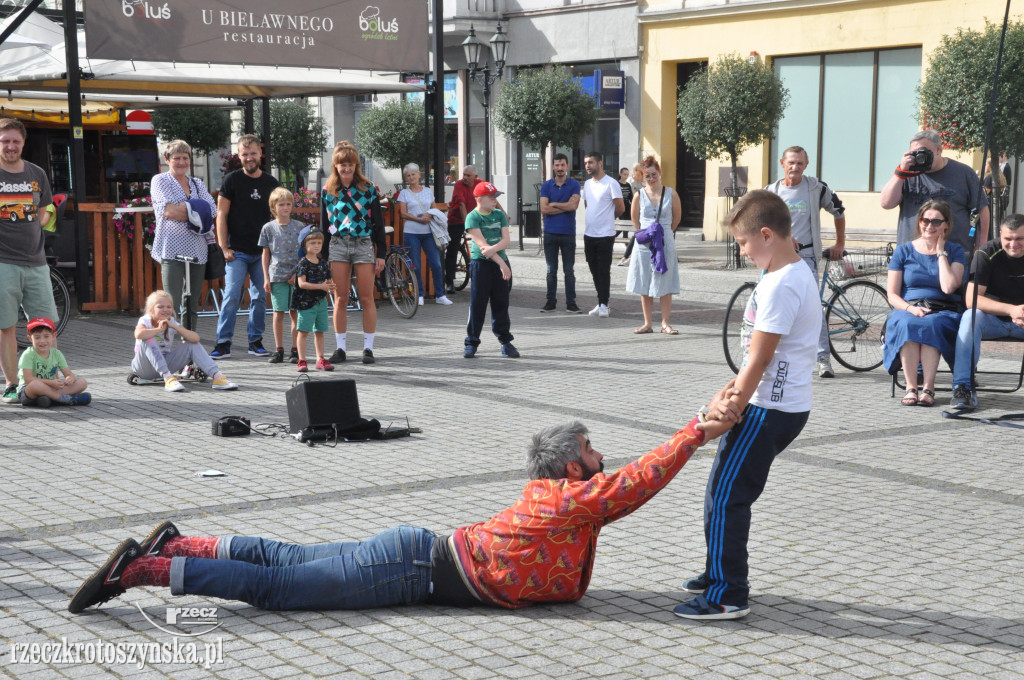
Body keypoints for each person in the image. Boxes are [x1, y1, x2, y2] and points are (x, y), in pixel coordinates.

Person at [68, 412, 729, 614]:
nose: (602, 455)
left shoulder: (568, 505)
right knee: (278, 588)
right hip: (412, 568)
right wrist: (697, 429)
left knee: (289, 561)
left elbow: (625, 486)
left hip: (415, 555)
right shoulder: (565, 502)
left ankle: (183, 546)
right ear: (571, 467)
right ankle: (144, 571)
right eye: (591, 449)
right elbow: (636, 483)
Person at [675, 190, 821, 621]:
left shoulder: (782, 284)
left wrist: (728, 409)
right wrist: (731, 390)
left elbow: (760, 359)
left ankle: (727, 594)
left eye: (743, 243)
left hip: (768, 410)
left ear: (767, 234)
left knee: (727, 498)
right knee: (721, 491)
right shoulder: (785, 271)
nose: (741, 251)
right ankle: (718, 569)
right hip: (765, 402)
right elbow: (757, 356)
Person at [765, 145, 847, 378]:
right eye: (791, 162)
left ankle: (823, 359)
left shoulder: (815, 188)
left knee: (812, 306)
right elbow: (761, 221)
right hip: (777, 258)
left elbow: (839, 211)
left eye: (800, 163)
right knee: (772, 304)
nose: (795, 167)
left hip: (807, 258)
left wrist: (840, 243)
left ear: (806, 165)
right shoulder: (771, 191)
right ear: (782, 163)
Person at [883, 200, 965, 406]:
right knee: (907, 323)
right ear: (919, 222)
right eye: (925, 220)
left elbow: (948, 288)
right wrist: (911, 308)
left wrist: (940, 252)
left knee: (931, 324)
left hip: (942, 310)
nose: (929, 226)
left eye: (936, 222)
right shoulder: (903, 251)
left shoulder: (955, 251)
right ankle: (911, 387)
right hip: (908, 307)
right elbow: (892, 294)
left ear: (946, 224)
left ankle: (928, 386)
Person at [0, 118, 57, 405]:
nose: (10, 146)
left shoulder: (36, 173)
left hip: (36, 261)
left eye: (15, 141)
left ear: (23, 143)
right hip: (3, 262)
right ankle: (12, 384)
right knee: (6, 326)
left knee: (46, 324)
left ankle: (50, 381)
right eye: (5, 141)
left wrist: (38, 223)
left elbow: (46, 209)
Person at [212, 135, 281, 360]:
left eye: (253, 153)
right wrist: (224, 247)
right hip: (236, 251)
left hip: (262, 252)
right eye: (244, 154)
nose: (249, 158)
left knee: (260, 296)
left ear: (260, 154)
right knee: (232, 295)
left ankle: (255, 341)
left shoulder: (271, 183)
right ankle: (223, 343)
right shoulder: (231, 180)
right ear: (239, 156)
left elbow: (278, 217)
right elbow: (221, 215)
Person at [322, 142, 387, 365]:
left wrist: (381, 254)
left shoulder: (368, 189)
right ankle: (340, 349)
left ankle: (368, 349)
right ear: (336, 166)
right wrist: (322, 257)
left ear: (356, 166)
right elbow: (324, 225)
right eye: (342, 165)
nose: (346, 169)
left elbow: (378, 223)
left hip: (363, 243)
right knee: (340, 298)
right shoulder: (328, 190)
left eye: (350, 164)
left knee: (367, 297)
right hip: (338, 244)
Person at [950, 213, 1024, 409]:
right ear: (1000, 235)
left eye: (1019, 239)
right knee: (970, 317)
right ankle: (962, 387)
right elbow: (971, 299)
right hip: (993, 319)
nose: (1013, 244)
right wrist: (1011, 310)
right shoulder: (986, 253)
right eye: (1008, 239)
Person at [880, 129, 988, 256]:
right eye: (915, 153)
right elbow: (886, 203)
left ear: (938, 150)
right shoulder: (906, 174)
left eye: (924, 152)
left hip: (953, 253)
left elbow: (982, 210)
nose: (920, 157)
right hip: (912, 255)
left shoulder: (963, 173)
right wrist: (900, 172)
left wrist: (981, 244)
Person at [149, 139, 218, 333]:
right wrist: (197, 211)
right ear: (167, 159)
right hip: (171, 248)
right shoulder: (160, 180)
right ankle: (167, 343)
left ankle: (188, 341)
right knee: (169, 302)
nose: (181, 162)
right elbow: (168, 212)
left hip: (198, 248)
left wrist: (184, 209)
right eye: (177, 158)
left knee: (192, 301)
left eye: (185, 158)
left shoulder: (197, 183)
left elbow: (212, 211)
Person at [131, 291, 238, 392]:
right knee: (148, 338)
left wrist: (175, 326)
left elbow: (196, 338)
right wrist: (158, 330)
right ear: (151, 310)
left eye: (169, 307)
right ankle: (168, 378)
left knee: (191, 344)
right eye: (160, 307)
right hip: (144, 368)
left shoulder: (171, 322)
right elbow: (139, 334)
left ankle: (217, 376)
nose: (165, 310)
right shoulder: (145, 320)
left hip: (165, 364)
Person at [625, 156, 682, 335]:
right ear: (642, 177)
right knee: (644, 280)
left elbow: (677, 218)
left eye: (654, 174)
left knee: (665, 280)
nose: (651, 178)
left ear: (660, 173)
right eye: (647, 176)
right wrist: (648, 233)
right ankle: (647, 323)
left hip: (665, 240)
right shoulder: (638, 195)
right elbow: (635, 220)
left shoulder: (671, 193)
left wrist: (664, 231)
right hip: (645, 243)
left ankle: (665, 323)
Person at [463, 182, 517, 359]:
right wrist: (502, 263)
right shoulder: (472, 217)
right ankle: (471, 342)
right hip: (481, 265)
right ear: (480, 199)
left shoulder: (499, 215)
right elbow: (482, 246)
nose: (495, 200)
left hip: (499, 260)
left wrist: (498, 257)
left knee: (501, 302)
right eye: (491, 197)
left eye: (496, 197)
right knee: (478, 304)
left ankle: (505, 341)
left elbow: (506, 240)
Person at [259, 188, 304, 365]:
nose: (285, 207)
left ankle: (295, 349)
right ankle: (279, 350)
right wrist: (266, 277)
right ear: (273, 207)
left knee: (295, 313)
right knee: (278, 313)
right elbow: (265, 254)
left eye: (288, 204)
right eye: (281, 204)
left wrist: (297, 273)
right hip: (277, 275)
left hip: (295, 275)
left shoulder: (299, 227)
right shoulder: (268, 228)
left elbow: (304, 253)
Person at [397, 163, 453, 307]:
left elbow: (434, 209)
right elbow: (403, 213)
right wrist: (419, 219)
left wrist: (429, 214)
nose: (411, 177)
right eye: (408, 176)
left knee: (436, 264)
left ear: (419, 175)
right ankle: (419, 294)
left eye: (413, 174)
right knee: (415, 266)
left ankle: (440, 295)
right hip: (411, 233)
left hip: (429, 233)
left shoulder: (428, 191)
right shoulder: (404, 193)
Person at [582, 152, 625, 318]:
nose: (587, 166)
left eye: (591, 162)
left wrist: (607, 218)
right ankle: (601, 301)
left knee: (603, 270)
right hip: (589, 234)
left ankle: (604, 304)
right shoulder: (587, 184)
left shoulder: (611, 183)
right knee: (593, 269)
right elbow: (588, 205)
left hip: (605, 235)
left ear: (600, 163)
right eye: (586, 163)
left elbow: (620, 208)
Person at [539, 153, 582, 313]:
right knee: (551, 270)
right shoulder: (546, 185)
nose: (560, 168)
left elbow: (574, 207)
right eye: (557, 165)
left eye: (562, 165)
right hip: (550, 233)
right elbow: (544, 209)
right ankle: (551, 302)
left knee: (569, 270)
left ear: (567, 166)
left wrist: (555, 204)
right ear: (553, 167)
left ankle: (571, 303)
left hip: (568, 233)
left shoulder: (574, 184)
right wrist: (565, 205)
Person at [17, 316, 89, 407]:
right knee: (35, 385)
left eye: (46, 336)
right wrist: (51, 382)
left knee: (82, 382)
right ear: (30, 338)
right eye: (37, 337)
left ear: (54, 336)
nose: (42, 341)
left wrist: (70, 379)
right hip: (28, 391)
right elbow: (28, 379)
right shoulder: (28, 354)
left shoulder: (57, 353)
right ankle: (62, 399)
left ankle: (48, 399)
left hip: (51, 388)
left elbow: (69, 374)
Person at [293, 227, 336, 373]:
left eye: (319, 242)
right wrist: (322, 286)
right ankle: (302, 360)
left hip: (321, 303)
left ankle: (320, 359)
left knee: (320, 332)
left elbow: (328, 281)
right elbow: (301, 284)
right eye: (312, 243)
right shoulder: (303, 263)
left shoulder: (323, 263)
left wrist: (331, 286)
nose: (316, 246)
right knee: (303, 332)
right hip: (306, 303)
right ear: (305, 245)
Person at [445, 165, 483, 294]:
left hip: (474, 218)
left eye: (468, 175)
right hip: (457, 220)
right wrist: (468, 224)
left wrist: (503, 213)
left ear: (475, 177)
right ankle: (449, 281)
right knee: (452, 248)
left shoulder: (480, 183)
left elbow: (491, 197)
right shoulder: (459, 185)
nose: (465, 178)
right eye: (464, 175)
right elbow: (461, 204)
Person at [618, 164, 644, 267]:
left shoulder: (640, 184)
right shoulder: (628, 183)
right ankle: (626, 256)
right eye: (641, 172)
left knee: (634, 233)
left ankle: (627, 256)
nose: (643, 175)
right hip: (626, 209)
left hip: (636, 210)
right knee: (628, 229)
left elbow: (634, 197)